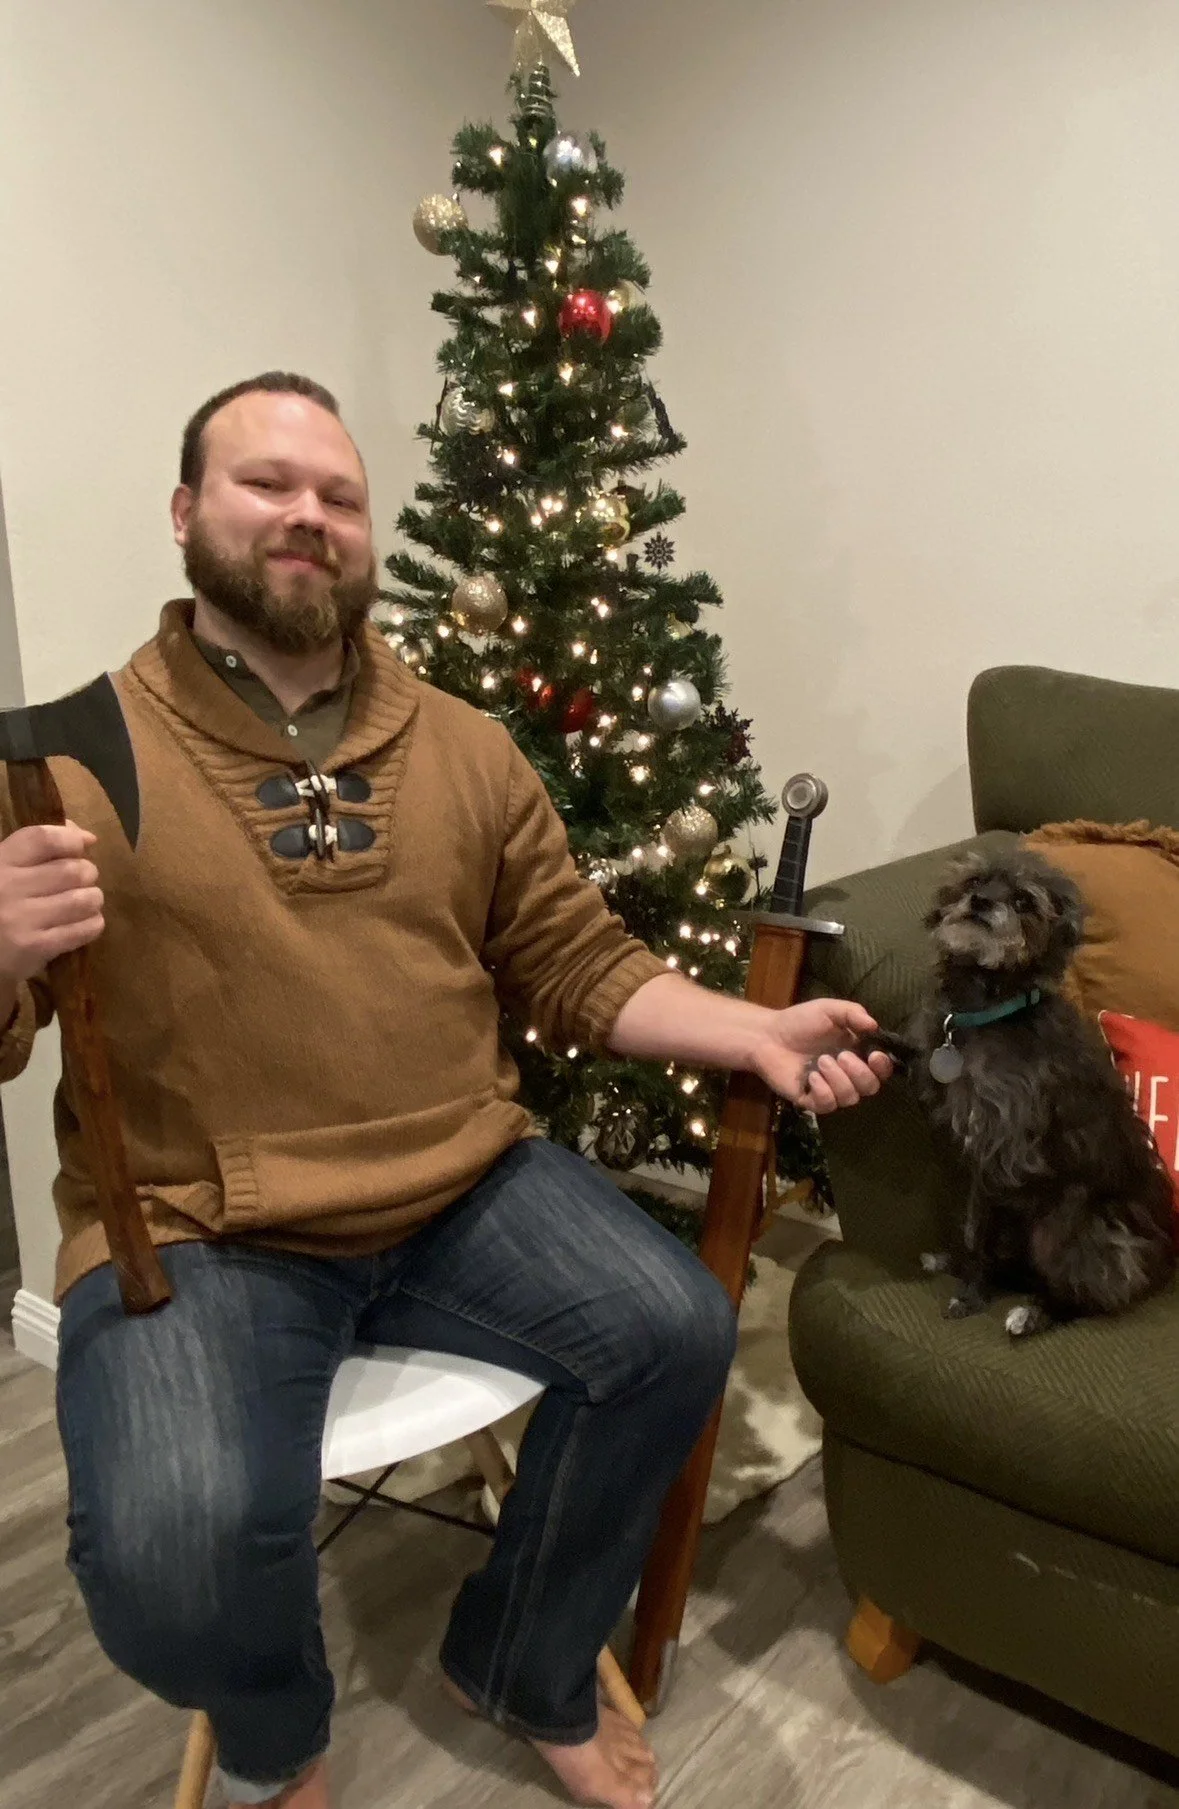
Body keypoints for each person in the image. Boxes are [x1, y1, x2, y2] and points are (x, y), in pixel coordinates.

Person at [0, 373, 890, 1809]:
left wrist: (754, 1036)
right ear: (185, 514)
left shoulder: (466, 747)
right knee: (173, 1555)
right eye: (265, 483)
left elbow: (574, 958)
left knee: (671, 1327)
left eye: (339, 495)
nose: (307, 516)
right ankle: (280, 1739)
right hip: (199, 1228)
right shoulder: (56, 763)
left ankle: (521, 1659)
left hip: (460, 1185)